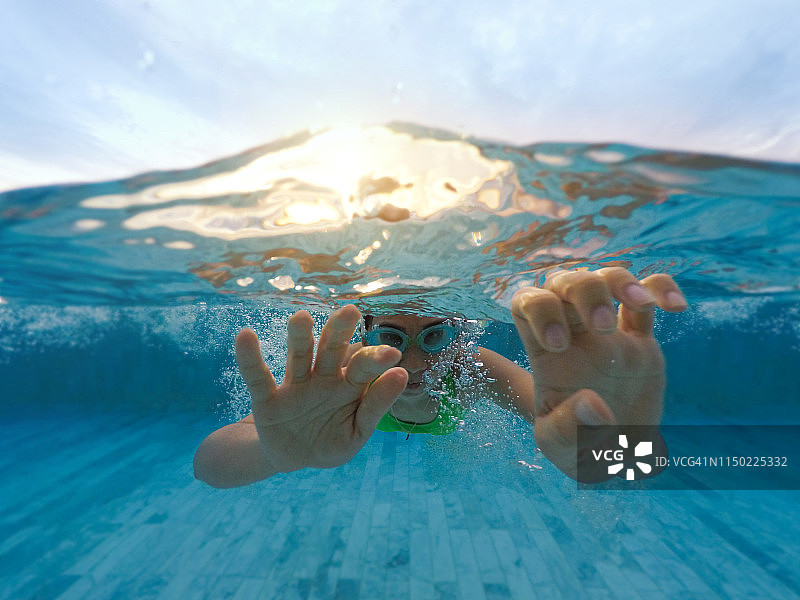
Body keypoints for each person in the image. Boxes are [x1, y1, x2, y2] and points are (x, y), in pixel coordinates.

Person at [193, 267, 687, 488]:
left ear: (459, 335)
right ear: (364, 336)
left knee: (454, 461)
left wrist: (618, 445)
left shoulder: (475, 372)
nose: (413, 362)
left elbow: (640, 464)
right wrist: (274, 454)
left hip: (450, 427)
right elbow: (208, 465)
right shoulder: (342, 382)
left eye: (434, 338)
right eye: (390, 335)